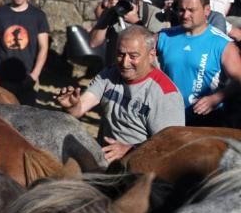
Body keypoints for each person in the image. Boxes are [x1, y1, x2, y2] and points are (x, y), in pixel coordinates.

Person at [57, 25, 184, 163]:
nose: (124, 62)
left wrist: (130, 150)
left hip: (141, 169)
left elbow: (171, 147)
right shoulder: (109, 75)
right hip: (104, 160)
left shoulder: (165, 94)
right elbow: (79, 109)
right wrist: (71, 106)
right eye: (120, 54)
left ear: (151, 55)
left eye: (133, 56)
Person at [156, 0, 241, 125]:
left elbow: (239, 79)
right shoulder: (163, 37)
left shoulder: (222, 44)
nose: (185, 15)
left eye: (191, 10)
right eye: (181, 10)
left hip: (205, 119)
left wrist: (216, 98)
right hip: (168, 116)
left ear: (207, 10)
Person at [0, 0, 50, 105]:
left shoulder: (38, 16)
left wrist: (34, 75)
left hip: (27, 78)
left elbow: (44, 47)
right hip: (2, 79)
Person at [89, 0, 167, 64]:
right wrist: (107, 14)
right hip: (115, 70)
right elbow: (94, 43)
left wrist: (137, 22)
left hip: (143, 71)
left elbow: (158, 46)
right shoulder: (112, 12)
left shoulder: (153, 13)